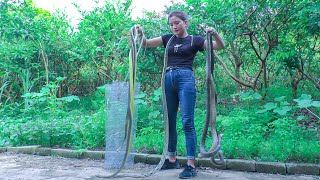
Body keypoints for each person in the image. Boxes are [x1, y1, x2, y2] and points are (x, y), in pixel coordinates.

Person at [136, 10, 225, 179]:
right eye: (171, 24)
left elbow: (219, 46)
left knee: (187, 121)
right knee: (169, 121)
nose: (174, 26)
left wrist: (215, 34)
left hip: (185, 79)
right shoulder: (167, 39)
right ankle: (171, 159)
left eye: (177, 22)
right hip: (168, 79)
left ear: (186, 22)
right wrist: (140, 33)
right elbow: (145, 43)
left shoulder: (195, 40)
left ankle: (191, 164)